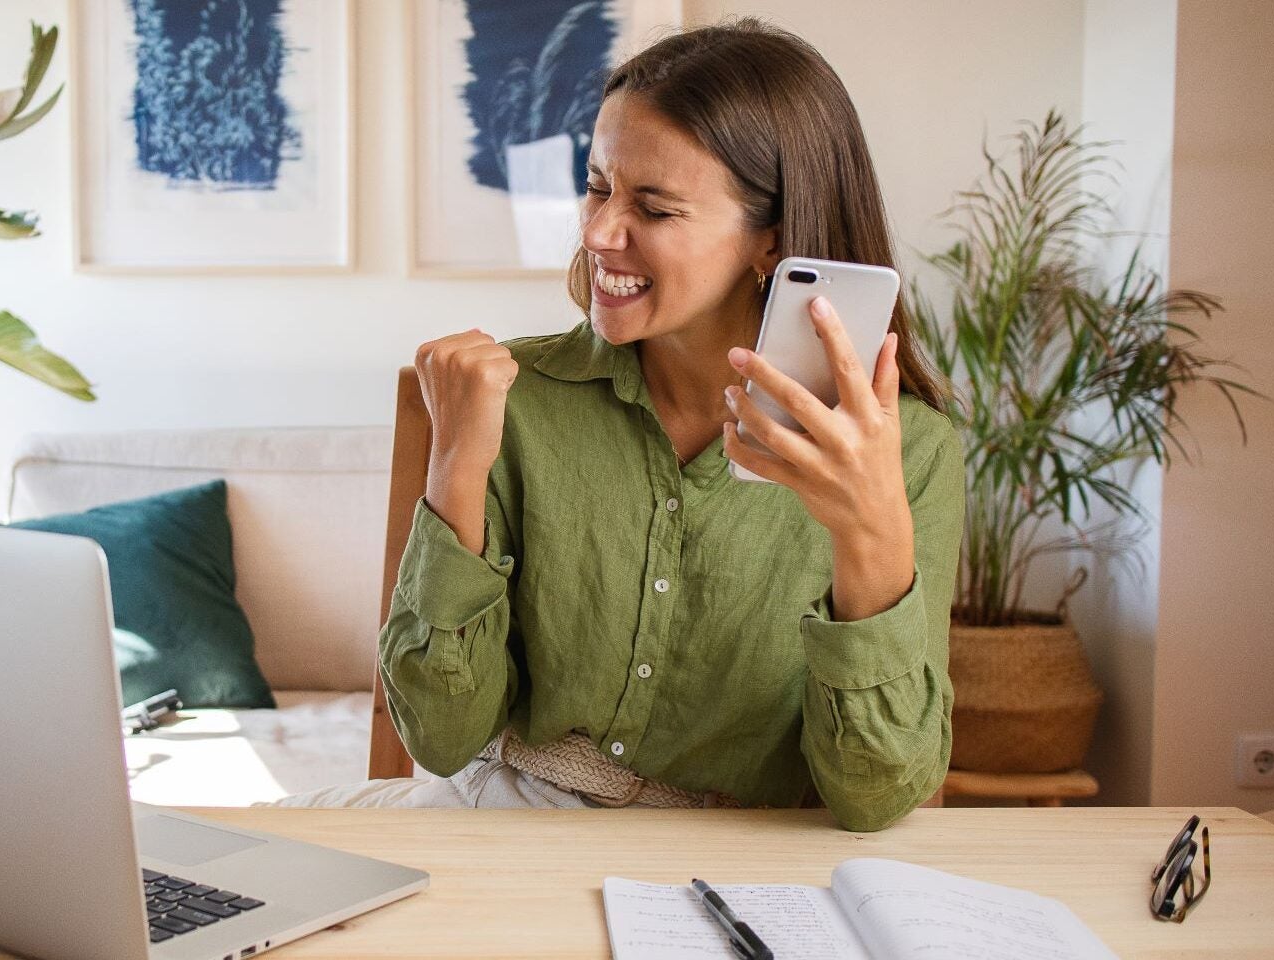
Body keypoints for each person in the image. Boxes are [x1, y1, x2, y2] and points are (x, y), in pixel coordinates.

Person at [276, 18, 964, 832]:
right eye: (599, 186)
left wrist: (870, 534)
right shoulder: (513, 399)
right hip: (507, 824)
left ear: (770, 242)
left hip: (747, 869)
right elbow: (442, 736)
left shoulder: (910, 451)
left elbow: (876, 796)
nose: (600, 232)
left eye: (656, 207)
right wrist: (456, 467)